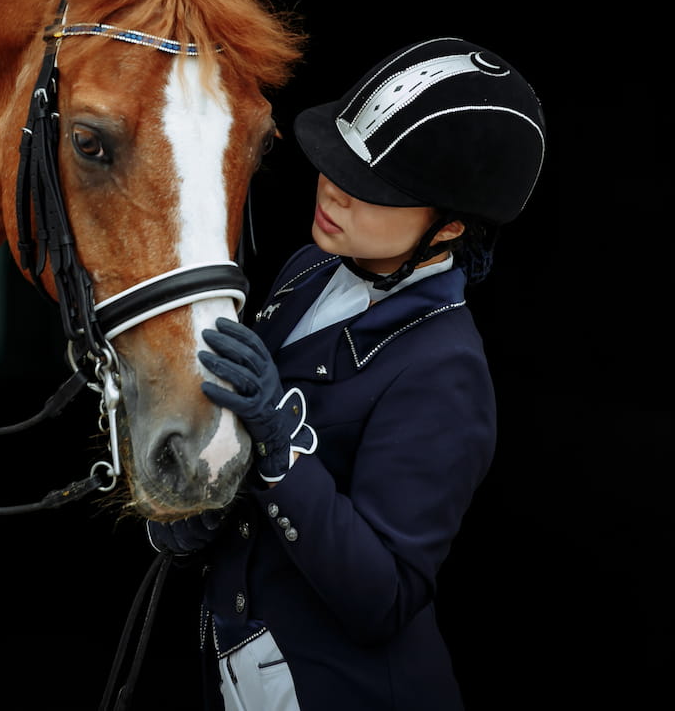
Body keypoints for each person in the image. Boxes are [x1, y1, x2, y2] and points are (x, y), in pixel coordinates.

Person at [148, 37, 545, 710]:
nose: (333, 185)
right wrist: (196, 502)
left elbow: (382, 598)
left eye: (375, 188)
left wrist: (280, 448)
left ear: (448, 230)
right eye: (338, 163)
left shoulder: (445, 369)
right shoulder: (309, 267)